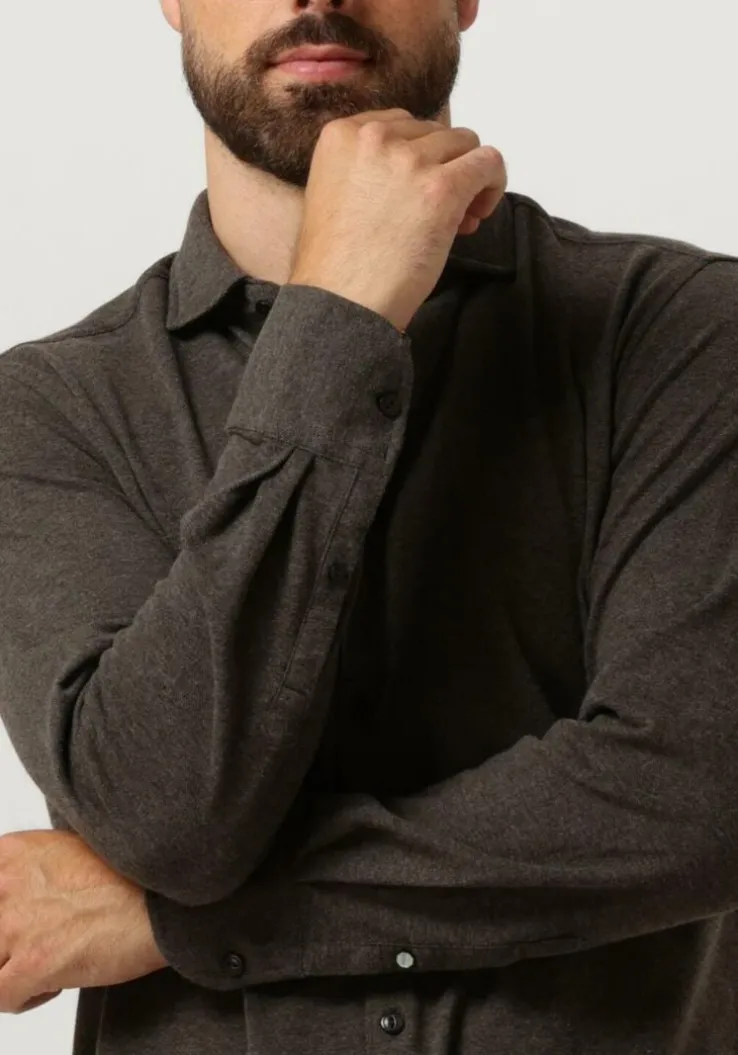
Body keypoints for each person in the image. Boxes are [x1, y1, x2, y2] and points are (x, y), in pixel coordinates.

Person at [1, 0, 738, 1052]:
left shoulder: (685, 332)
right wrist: (339, 317)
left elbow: (696, 804)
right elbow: (165, 819)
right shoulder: (45, 412)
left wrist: (178, 925)